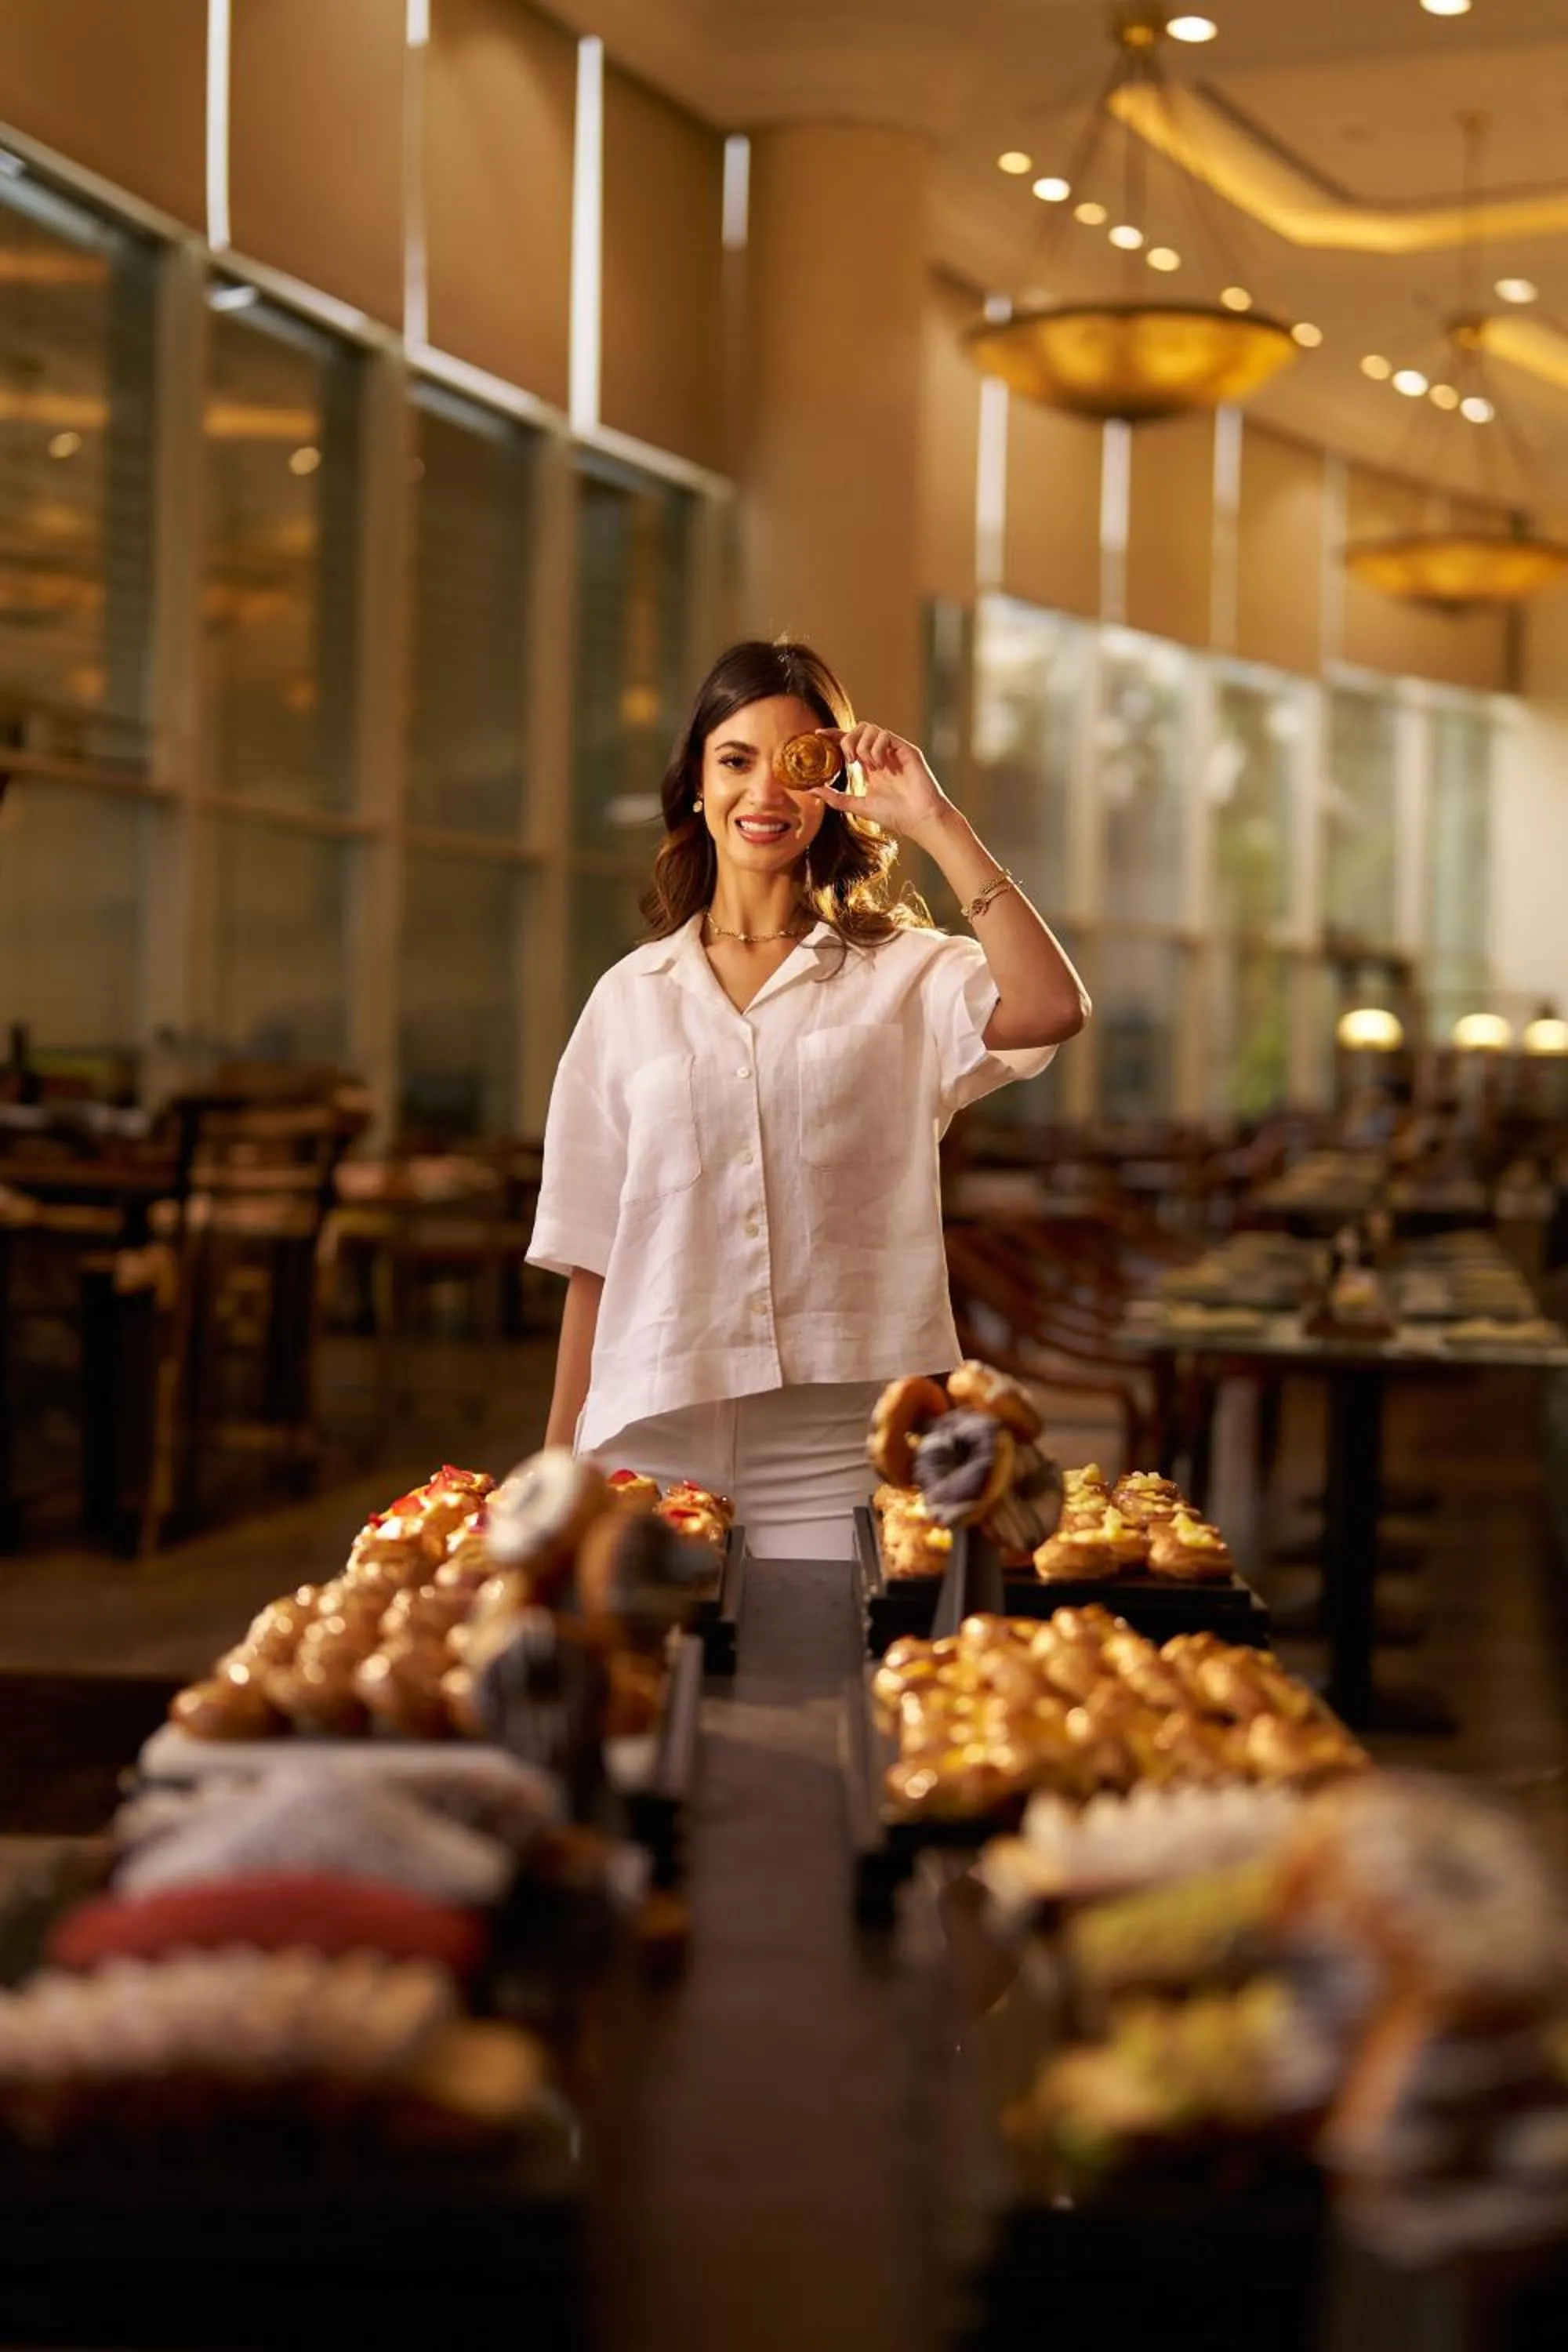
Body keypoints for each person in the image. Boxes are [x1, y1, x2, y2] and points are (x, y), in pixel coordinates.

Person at [528, 639, 1090, 1558]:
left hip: (843, 1441)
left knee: (835, 1690)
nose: (762, 795)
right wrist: (550, 1478)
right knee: (655, 1690)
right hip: (647, 1432)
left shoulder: (904, 975)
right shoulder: (627, 999)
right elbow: (593, 1258)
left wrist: (934, 817)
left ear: (830, 788)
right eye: (733, 761)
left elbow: (1049, 1007)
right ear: (697, 786)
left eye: (793, 766)